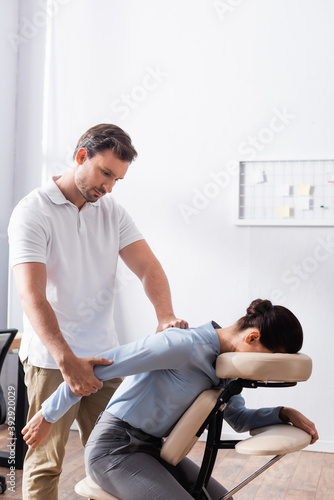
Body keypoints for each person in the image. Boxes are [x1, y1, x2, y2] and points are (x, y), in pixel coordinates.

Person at [7, 123, 188, 500]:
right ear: (80, 157)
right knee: (45, 466)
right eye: (105, 173)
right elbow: (31, 295)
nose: (108, 187)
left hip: (107, 359)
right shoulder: (32, 212)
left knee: (118, 455)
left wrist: (165, 315)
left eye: (117, 179)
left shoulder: (111, 211)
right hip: (51, 361)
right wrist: (66, 358)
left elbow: (148, 267)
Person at [22, 299, 318, 500]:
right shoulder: (180, 344)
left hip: (153, 450)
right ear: (252, 337)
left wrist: (283, 413)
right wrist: (47, 415)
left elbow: (239, 420)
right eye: (266, 362)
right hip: (114, 449)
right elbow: (93, 369)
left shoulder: (226, 368)